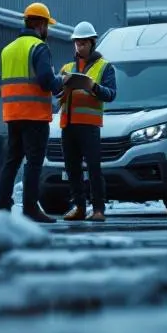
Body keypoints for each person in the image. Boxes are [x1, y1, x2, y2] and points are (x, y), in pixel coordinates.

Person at [0, 2, 64, 223]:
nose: (48, 31)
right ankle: (30, 208)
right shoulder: (39, 47)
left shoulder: (8, 49)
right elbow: (45, 80)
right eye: (47, 25)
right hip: (34, 114)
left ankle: (3, 206)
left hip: (13, 114)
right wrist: (61, 83)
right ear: (41, 24)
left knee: (12, 161)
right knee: (34, 163)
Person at [58, 21, 118, 222]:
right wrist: (62, 89)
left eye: (83, 43)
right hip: (68, 125)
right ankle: (79, 207)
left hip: (89, 126)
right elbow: (56, 95)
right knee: (72, 168)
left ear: (92, 43)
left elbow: (111, 95)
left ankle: (98, 209)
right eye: (77, 43)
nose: (79, 47)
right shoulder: (67, 68)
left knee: (93, 168)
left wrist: (93, 86)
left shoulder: (105, 67)